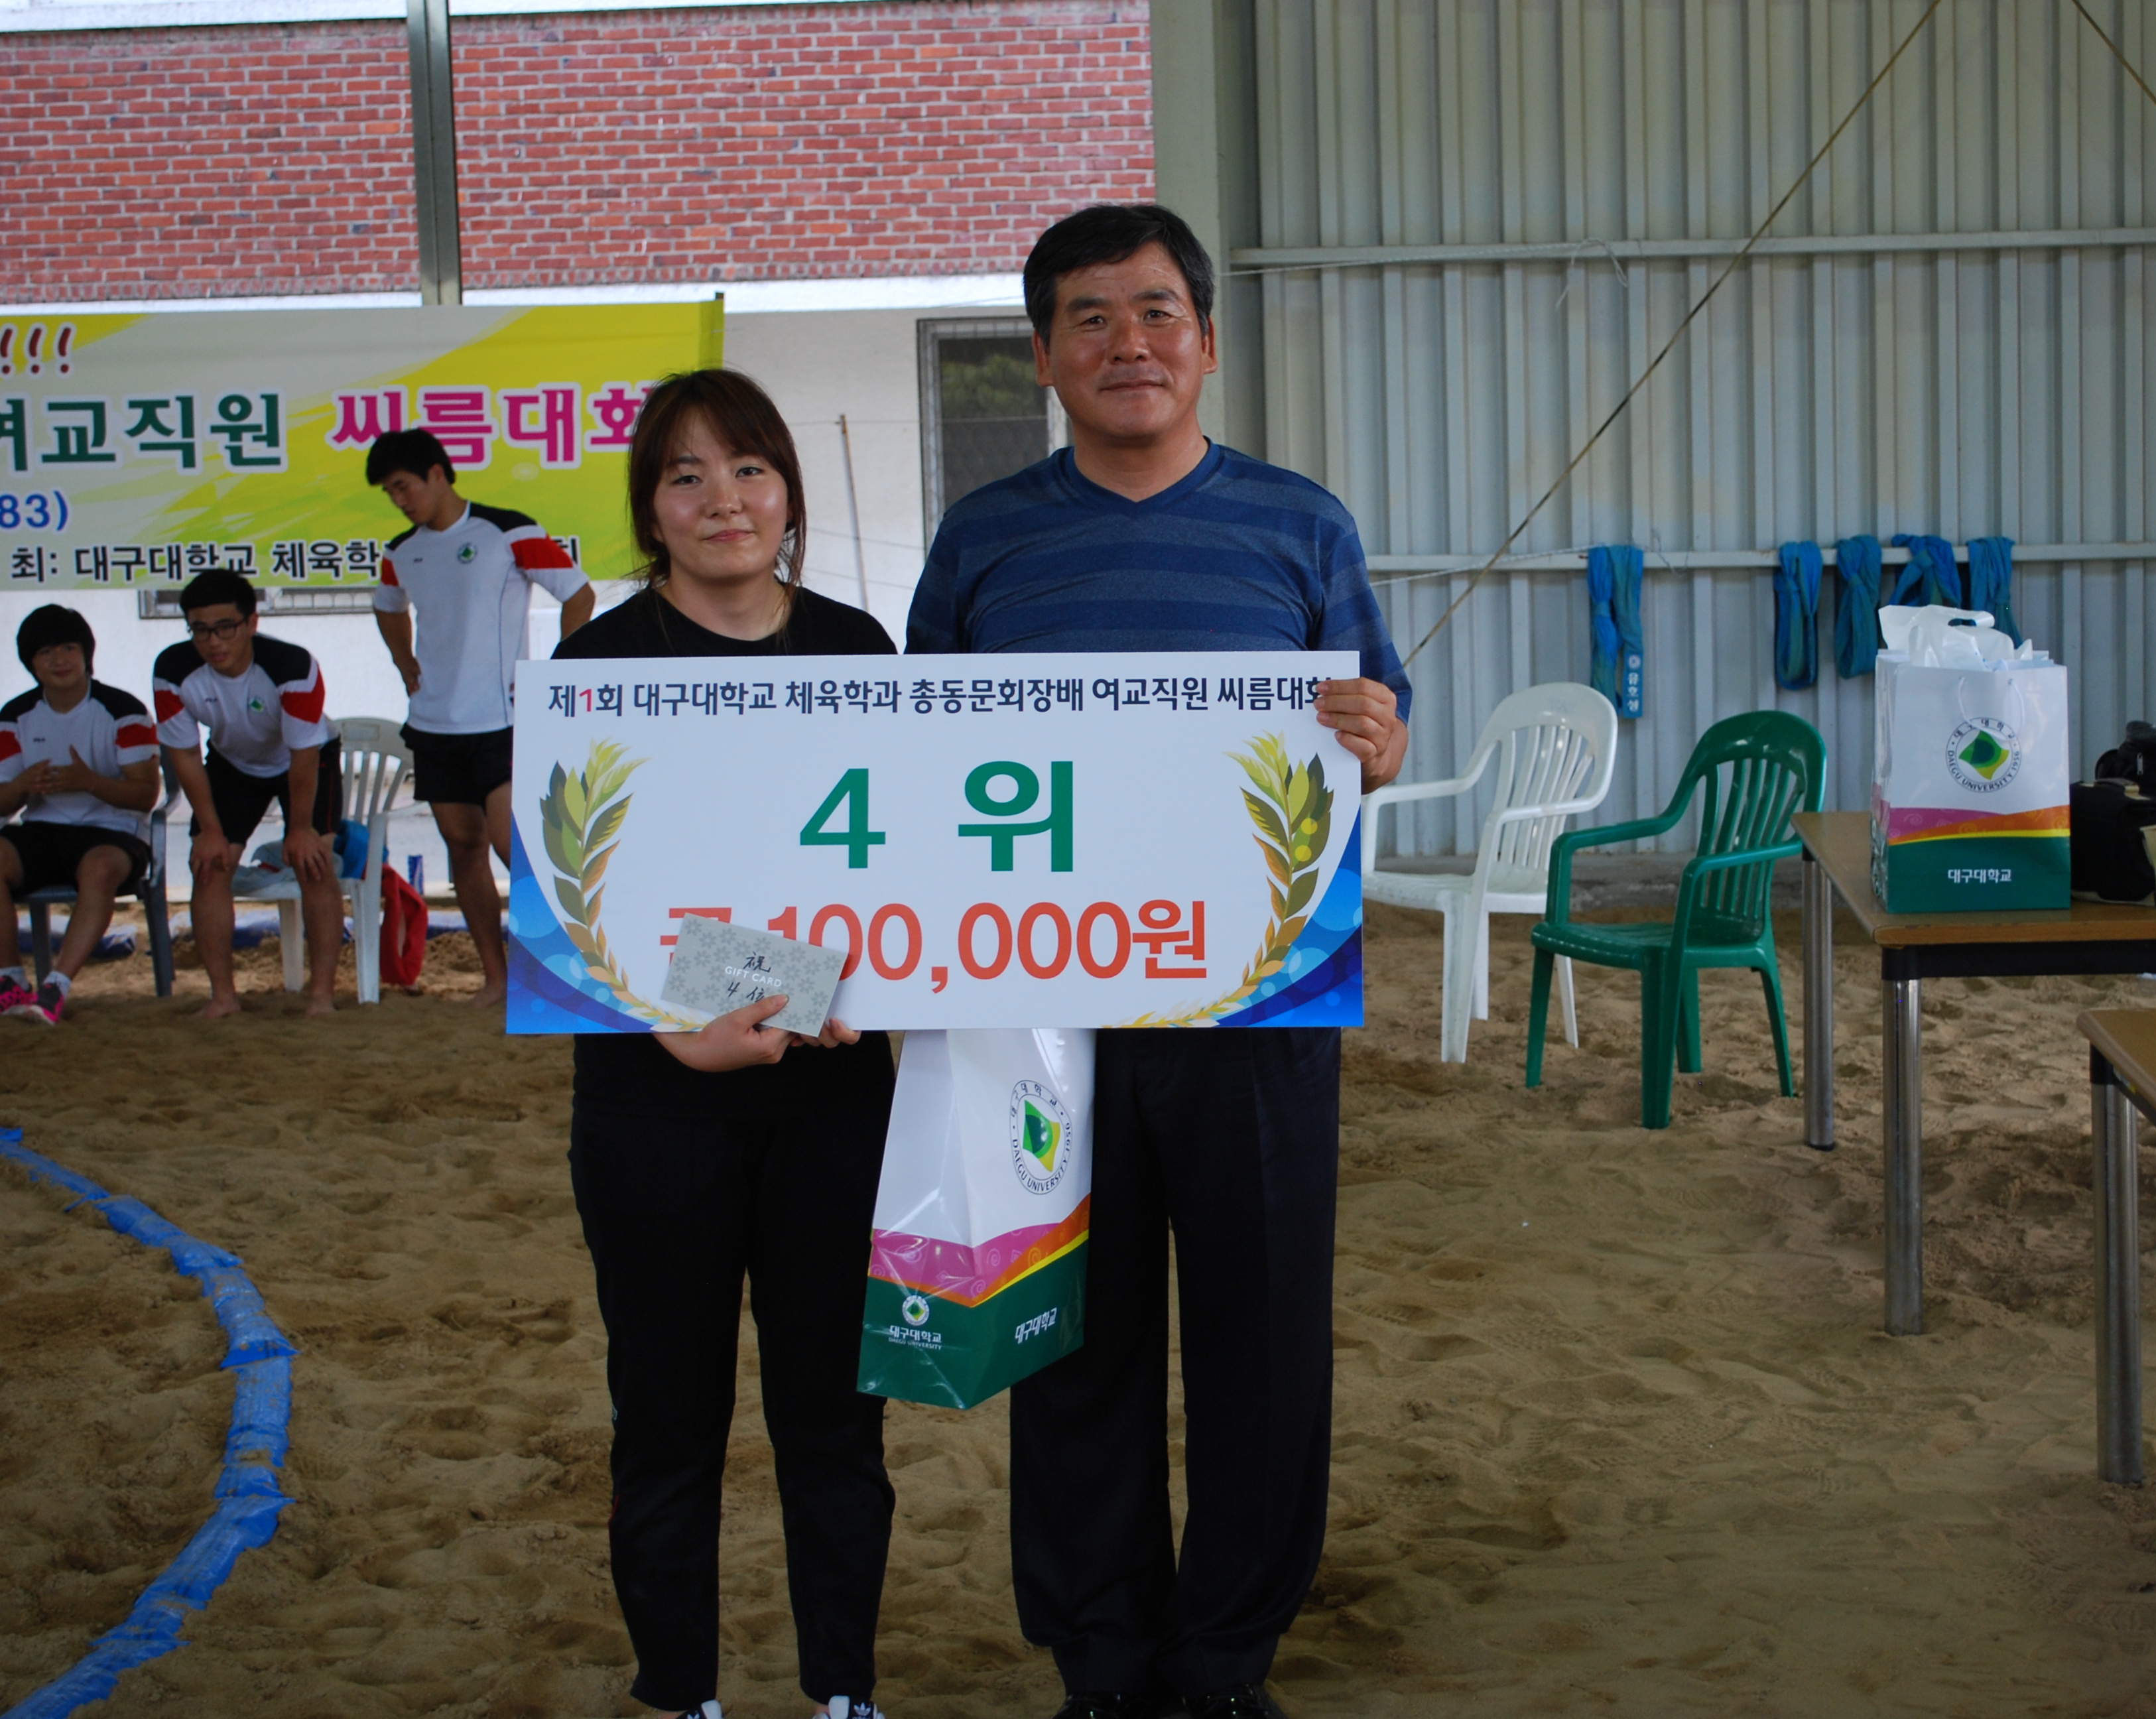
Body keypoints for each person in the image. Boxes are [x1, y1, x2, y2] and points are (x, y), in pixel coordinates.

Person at [908, 203, 1411, 1719]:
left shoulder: (1301, 525)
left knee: (1265, 1340)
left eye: (1154, 313)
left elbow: (1374, 728)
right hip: (1037, 1017)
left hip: (1257, 1007)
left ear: (1205, 341)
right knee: (1071, 1342)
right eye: (1089, 317)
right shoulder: (985, 537)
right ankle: (1107, 1665)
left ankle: (1225, 1661)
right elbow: (917, 757)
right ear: (1043, 356)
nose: (1127, 343)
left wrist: (1378, 737)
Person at [553, 369, 901, 1719]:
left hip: (833, 1098)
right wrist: (678, 1030)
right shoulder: (596, 669)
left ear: (788, 492)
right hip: (653, 1105)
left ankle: (843, 1692)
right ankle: (680, 1694)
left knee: (835, 1420)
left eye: (749, 468)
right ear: (651, 507)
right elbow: (573, 897)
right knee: (666, 1420)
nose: (724, 500)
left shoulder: (859, 650)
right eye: (686, 475)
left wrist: (859, 987)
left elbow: (905, 875)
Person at [367, 426, 597, 1007]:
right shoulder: (400, 552)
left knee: (514, 847)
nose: (399, 500)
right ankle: (497, 979)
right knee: (462, 846)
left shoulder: (507, 530)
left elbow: (578, 593)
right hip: (434, 723)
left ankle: (562, 973)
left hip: (504, 721)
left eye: (403, 486)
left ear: (437, 474)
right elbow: (387, 607)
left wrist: (560, 671)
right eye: (390, 493)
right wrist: (402, 659)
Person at [153, 570, 348, 1018]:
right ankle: (224, 996)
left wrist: (300, 829)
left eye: (226, 627)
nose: (214, 641)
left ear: (252, 623)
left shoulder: (293, 667)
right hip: (232, 762)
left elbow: (303, 755)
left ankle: (321, 995)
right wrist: (210, 830)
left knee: (313, 862)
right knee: (209, 866)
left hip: (304, 760)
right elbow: (185, 755)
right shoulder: (172, 671)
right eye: (200, 630)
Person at [0, 605, 163, 1025]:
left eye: (69, 648)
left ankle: (56, 987)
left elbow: (146, 795)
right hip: (42, 830)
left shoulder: (124, 710)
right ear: (31, 663)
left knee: (99, 867)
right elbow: (4, 803)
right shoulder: (14, 717)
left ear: (87, 654)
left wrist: (90, 782)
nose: (60, 661)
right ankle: (10, 981)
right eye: (46, 652)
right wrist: (21, 787)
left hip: (113, 831)